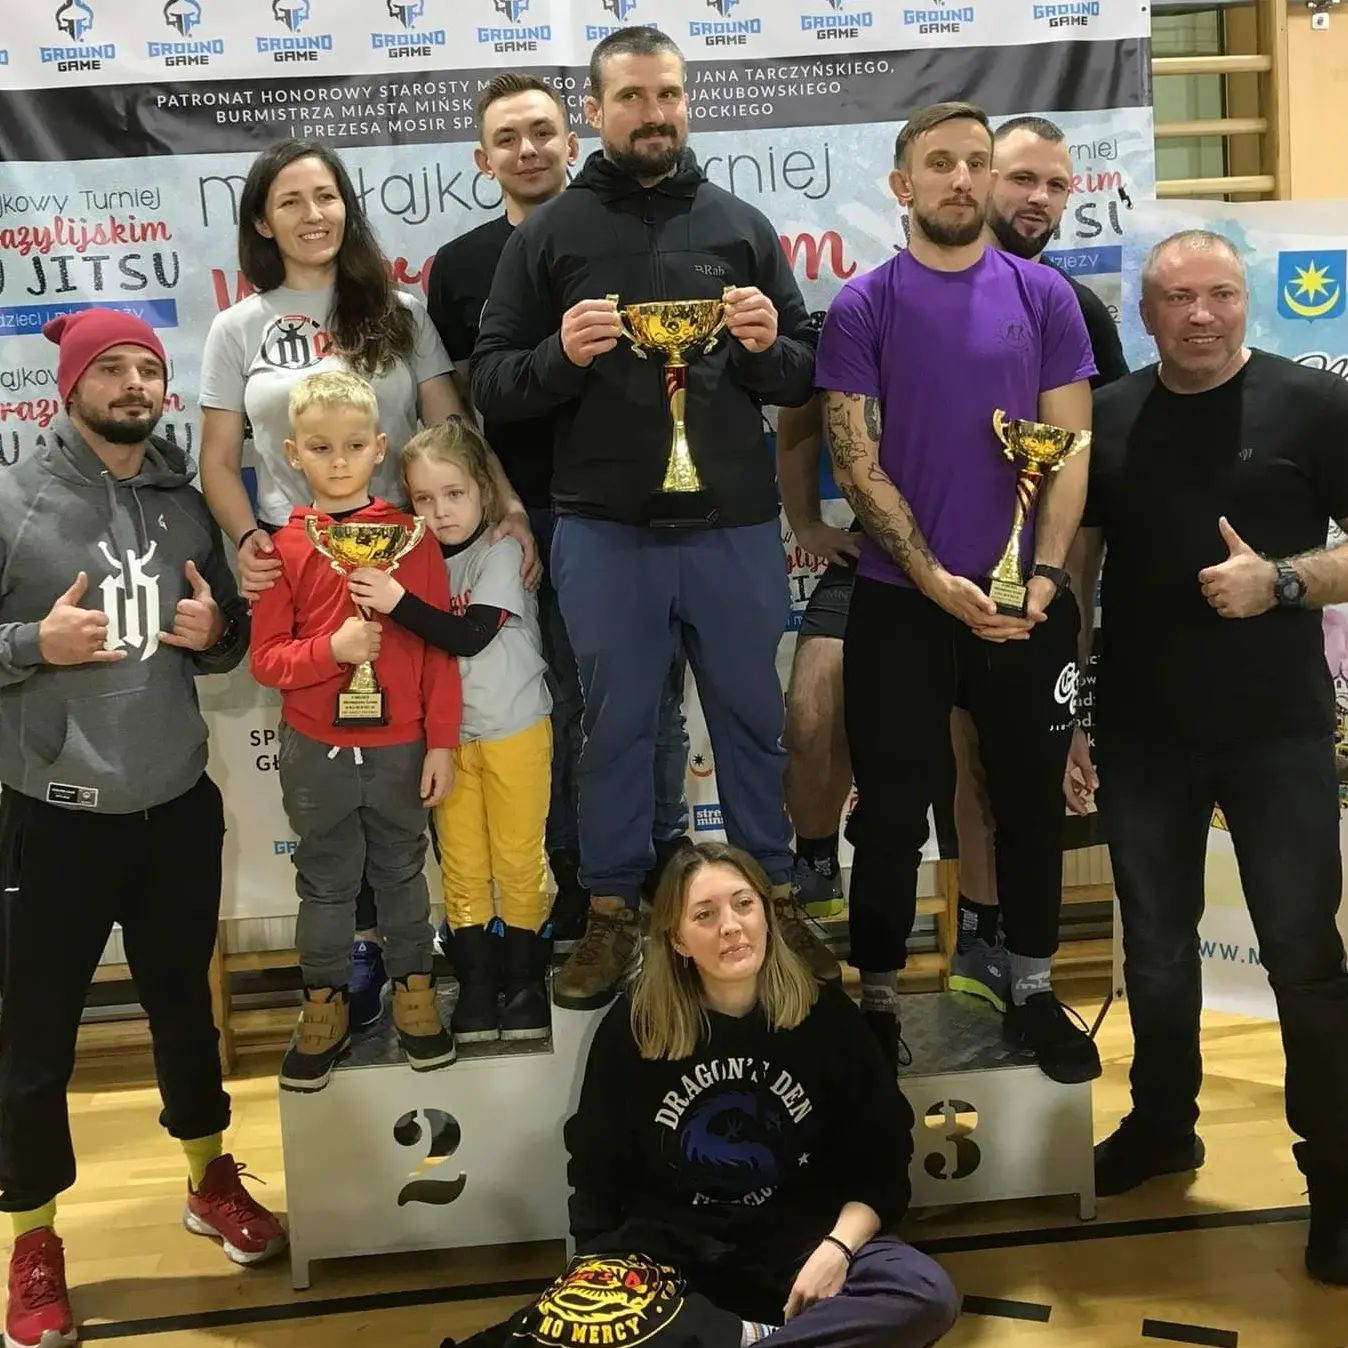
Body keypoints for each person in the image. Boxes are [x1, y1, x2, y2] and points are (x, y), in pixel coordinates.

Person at [473, 27, 833, 1012]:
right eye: (631, 97)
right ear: (596, 110)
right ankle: (610, 911)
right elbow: (494, 385)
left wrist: (767, 347)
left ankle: (772, 898)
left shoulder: (738, 223)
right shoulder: (549, 235)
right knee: (615, 732)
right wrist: (561, 356)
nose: (653, 113)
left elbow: (805, 368)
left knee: (756, 726)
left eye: (667, 94)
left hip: (731, 527)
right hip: (604, 531)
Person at [199, 138, 533, 1030]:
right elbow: (221, 461)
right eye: (291, 200)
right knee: (326, 787)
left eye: (327, 196)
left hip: (404, 562)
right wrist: (247, 541)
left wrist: (507, 509)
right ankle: (341, 974)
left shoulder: (400, 311)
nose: (314, 214)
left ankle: (419, 973)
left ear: (347, 207)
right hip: (300, 567)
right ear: (262, 221)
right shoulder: (238, 327)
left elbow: (447, 426)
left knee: (402, 778)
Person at [0, 310, 286, 1348]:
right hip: (54, 819)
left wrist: (221, 638)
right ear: (71, 384)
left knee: (184, 1014)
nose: (133, 383)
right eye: (111, 367)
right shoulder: (15, 498)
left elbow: (226, 644)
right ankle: (32, 1240)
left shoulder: (184, 497)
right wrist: (35, 639)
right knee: (34, 1045)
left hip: (173, 806)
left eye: (149, 368)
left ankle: (208, 1177)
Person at [1067, 229, 1348, 1283]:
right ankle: (1161, 1127)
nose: (1199, 314)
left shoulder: (1313, 404)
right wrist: (1075, 711)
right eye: (1177, 297)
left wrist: (1275, 581)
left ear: (1247, 301)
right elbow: (1079, 565)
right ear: (1144, 312)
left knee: (1302, 959)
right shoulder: (1107, 417)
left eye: (1219, 294)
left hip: (1276, 730)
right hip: (1143, 732)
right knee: (1152, 950)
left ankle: (1335, 1178)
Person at [780, 115, 1128, 959]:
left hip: (1022, 603)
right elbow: (858, 465)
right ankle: (881, 995)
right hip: (904, 599)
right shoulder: (865, 304)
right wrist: (933, 580)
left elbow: (1066, 452)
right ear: (904, 186)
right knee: (895, 812)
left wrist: (1043, 577)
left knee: (1029, 807)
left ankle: (1032, 985)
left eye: (977, 162)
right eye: (941, 164)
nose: (962, 178)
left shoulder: (1048, 299)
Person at [427, 73, 691, 939]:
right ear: (482, 158)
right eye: (508, 138)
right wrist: (500, 506)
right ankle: (571, 882)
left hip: (630, 516)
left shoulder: (634, 236)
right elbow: (465, 405)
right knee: (542, 712)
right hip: (513, 524)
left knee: (642, 701)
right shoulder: (462, 266)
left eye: (543, 131)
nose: (528, 149)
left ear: (571, 141)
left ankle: (658, 868)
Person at [562, 841, 958, 1348]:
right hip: (679, 1262)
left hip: (801, 1248)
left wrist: (837, 1249)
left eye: (743, 904)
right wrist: (598, 1283)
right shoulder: (634, 1028)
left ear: (766, 916)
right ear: (678, 940)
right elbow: (596, 1168)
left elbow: (882, 1161)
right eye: (705, 914)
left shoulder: (826, 1016)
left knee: (924, 1293)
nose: (731, 925)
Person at [250, 371, 461, 1092]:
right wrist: (330, 653)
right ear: (292, 453)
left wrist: (440, 741)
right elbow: (267, 659)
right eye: (319, 447)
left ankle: (414, 989)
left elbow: (438, 647)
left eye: (350, 446)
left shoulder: (411, 540)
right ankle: (323, 1004)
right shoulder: (285, 546)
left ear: (379, 449)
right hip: (317, 750)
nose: (336, 461)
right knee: (328, 883)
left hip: (401, 743)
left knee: (403, 873)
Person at [348, 417, 553, 1043]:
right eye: (424, 500)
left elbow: (468, 634)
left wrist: (393, 602)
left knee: (517, 860)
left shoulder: (501, 551)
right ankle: (477, 984)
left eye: (454, 494)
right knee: (463, 865)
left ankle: (523, 983)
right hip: (447, 741)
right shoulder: (413, 566)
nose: (439, 513)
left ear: (484, 494)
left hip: (515, 729)